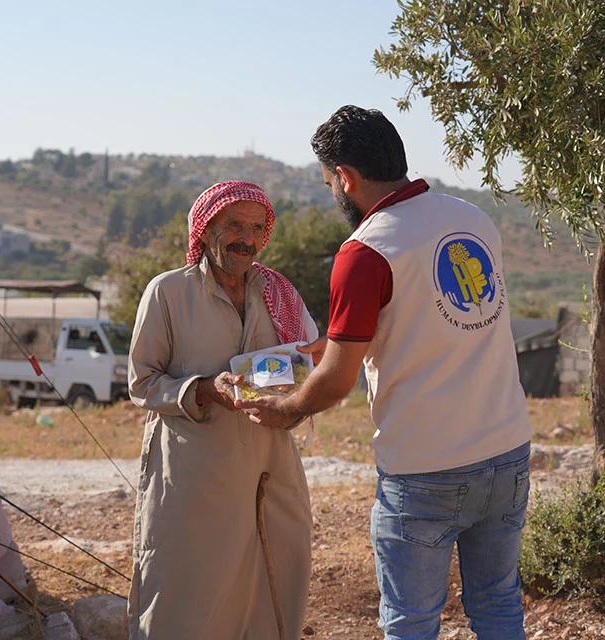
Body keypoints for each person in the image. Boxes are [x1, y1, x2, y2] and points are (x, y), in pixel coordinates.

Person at [236, 106, 532, 640]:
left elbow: (337, 381)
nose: (333, 195)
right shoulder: (474, 219)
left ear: (346, 178)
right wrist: (331, 342)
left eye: (330, 184)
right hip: (507, 450)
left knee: (410, 623)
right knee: (498, 605)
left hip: (425, 471)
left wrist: (287, 408)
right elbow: (436, 315)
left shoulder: (364, 250)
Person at [127, 180, 318, 640]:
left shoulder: (279, 294)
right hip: (194, 476)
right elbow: (141, 382)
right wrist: (205, 389)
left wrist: (296, 394)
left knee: (274, 584)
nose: (246, 239)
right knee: (187, 594)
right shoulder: (168, 292)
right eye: (234, 224)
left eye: (256, 228)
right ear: (205, 226)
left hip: (270, 467)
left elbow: (309, 359)